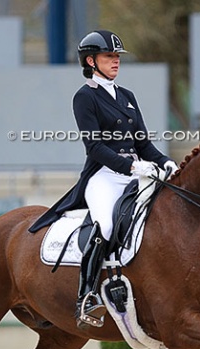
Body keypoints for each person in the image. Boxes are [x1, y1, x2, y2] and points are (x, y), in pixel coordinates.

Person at [29, 30, 178, 329]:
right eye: (109, 56)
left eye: (117, 57)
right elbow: (94, 147)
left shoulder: (127, 96)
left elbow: (143, 144)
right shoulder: (85, 97)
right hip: (105, 177)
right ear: (91, 60)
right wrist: (132, 168)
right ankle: (87, 297)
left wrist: (166, 162)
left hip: (138, 173)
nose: (115, 62)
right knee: (106, 225)